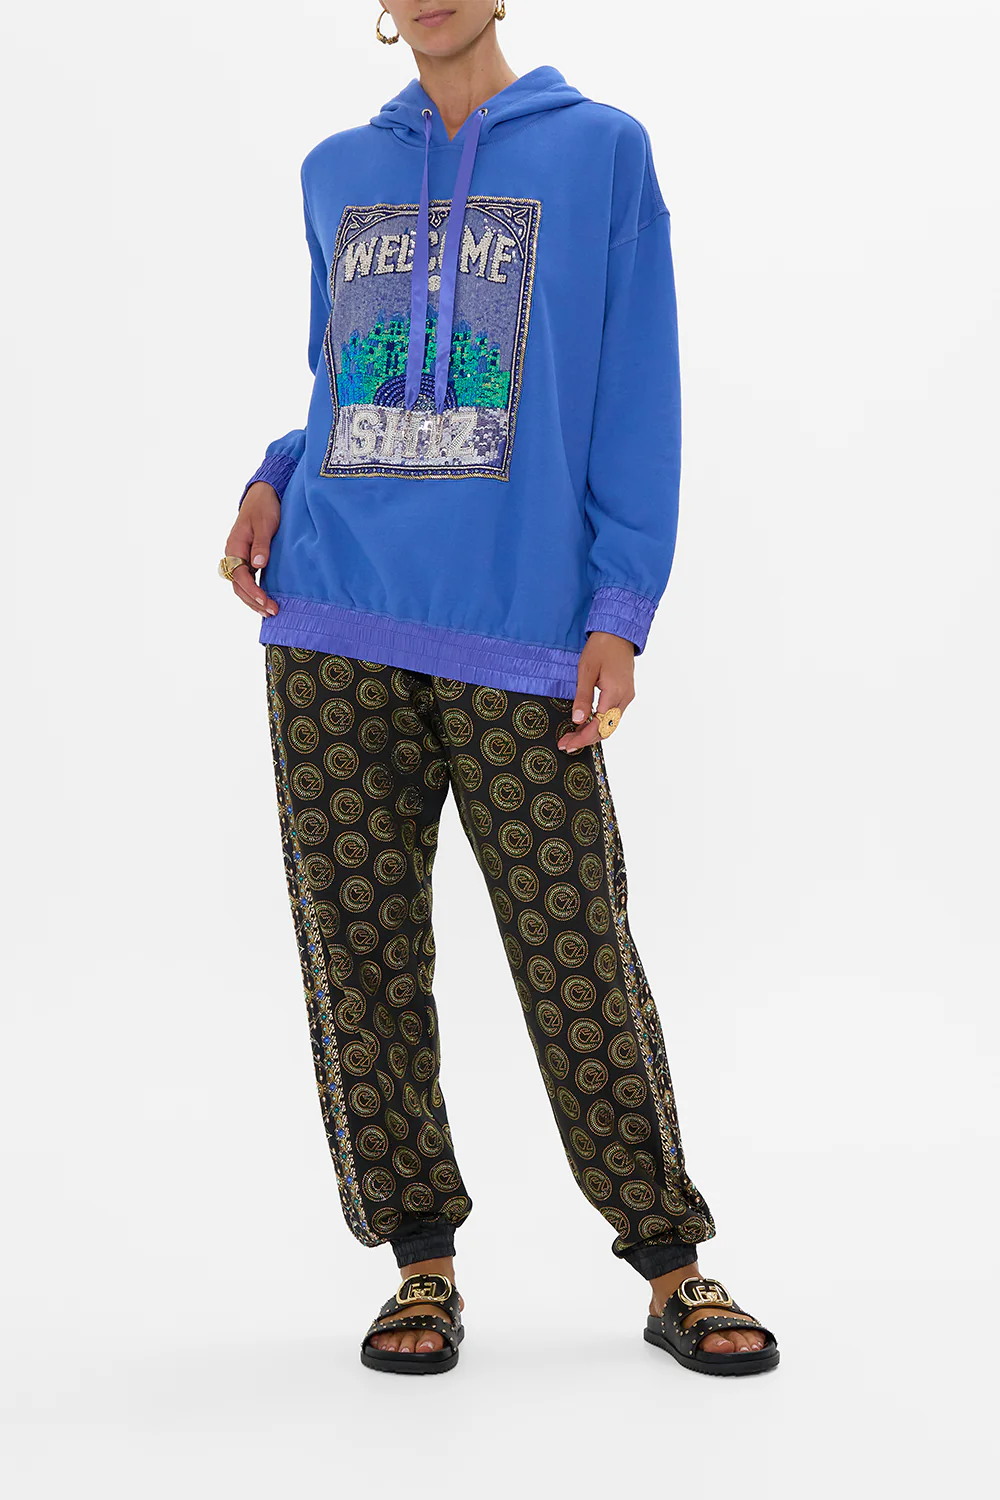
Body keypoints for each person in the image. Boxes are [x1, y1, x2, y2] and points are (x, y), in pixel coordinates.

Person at [221, 1, 778, 1377]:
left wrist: (621, 606)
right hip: (332, 614)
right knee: (360, 952)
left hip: (518, 625)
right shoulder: (338, 170)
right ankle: (420, 1266)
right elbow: (342, 373)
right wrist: (275, 473)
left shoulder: (599, 152)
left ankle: (672, 1263)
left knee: (573, 944)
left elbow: (636, 389)